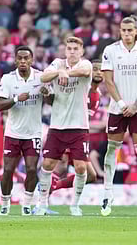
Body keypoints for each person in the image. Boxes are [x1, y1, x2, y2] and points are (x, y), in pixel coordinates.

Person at [100, 15, 137, 218]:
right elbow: (108, 81)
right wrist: (124, 104)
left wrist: (135, 105)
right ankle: (107, 193)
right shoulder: (110, 51)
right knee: (111, 149)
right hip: (118, 108)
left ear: (136, 31)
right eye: (123, 30)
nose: (127, 34)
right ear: (119, 31)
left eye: (130, 30)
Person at [34, 36, 92, 216]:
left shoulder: (86, 64)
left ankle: (75, 205)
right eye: (69, 48)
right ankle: (42, 203)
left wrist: (66, 73)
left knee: (81, 167)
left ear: (81, 51)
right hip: (57, 125)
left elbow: (83, 71)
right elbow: (43, 76)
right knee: (48, 164)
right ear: (65, 50)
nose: (72, 51)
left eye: (76, 48)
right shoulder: (57, 63)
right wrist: (59, 72)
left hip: (79, 125)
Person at [0, 45, 50, 216]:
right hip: (13, 132)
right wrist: (17, 98)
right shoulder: (8, 79)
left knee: (32, 169)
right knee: (8, 170)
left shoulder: (41, 77)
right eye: (20, 58)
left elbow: (52, 102)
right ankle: (5, 203)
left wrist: (47, 94)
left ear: (32, 60)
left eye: (26, 58)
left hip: (33, 133)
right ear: (15, 60)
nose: (23, 61)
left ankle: (26, 203)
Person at [50, 59, 104, 192]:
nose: (98, 72)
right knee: (60, 166)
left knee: (91, 176)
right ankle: (41, 199)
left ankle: (51, 188)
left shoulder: (97, 95)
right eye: (95, 69)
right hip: (65, 131)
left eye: (101, 70)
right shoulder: (80, 87)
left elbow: (86, 120)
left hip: (79, 135)